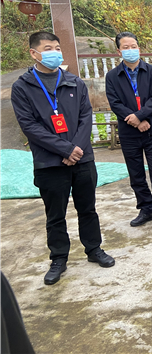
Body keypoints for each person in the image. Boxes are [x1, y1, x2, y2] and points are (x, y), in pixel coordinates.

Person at [11, 31, 115, 286]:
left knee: (87, 209)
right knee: (55, 214)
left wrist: (76, 149)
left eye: (57, 48)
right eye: (48, 48)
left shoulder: (74, 83)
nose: (55, 53)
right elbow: (30, 126)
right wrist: (64, 150)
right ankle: (58, 258)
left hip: (82, 159)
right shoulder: (23, 87)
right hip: (49, 162)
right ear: (34, 53)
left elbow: (85, 118)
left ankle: (94, 249)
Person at [105, 32, 152, 230]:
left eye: (133, 46)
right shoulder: (112, 76)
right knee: (136, 174)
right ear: (119, 51)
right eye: (126, 47)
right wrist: (136, 121)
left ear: (139, 48)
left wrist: (141, 117)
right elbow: (115, 103)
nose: (130, 50)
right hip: (129, 133)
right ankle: (146, 209)